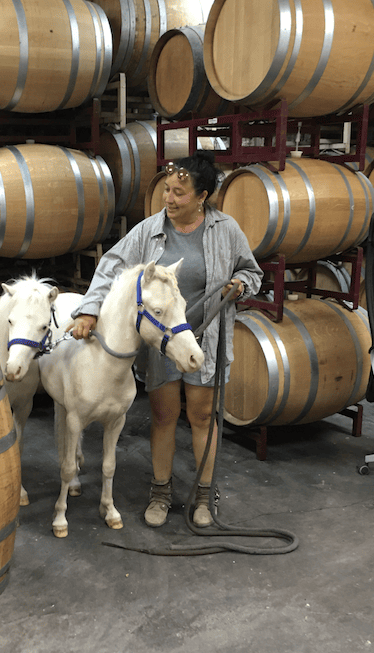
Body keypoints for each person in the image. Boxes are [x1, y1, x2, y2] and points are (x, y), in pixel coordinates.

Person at [68, 151, 263, 528]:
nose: (169, 199)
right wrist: (90, 309)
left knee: (203, 415)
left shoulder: (225, 230)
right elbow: (111, 266)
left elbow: (251, 271)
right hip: (160, 343)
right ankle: (161, 492)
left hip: (203, 339)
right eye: (167, 191)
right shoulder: (148, 231)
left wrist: (241, 285)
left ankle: (205, 496)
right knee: (163, 415)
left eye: (179, 193)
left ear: (202, 196)